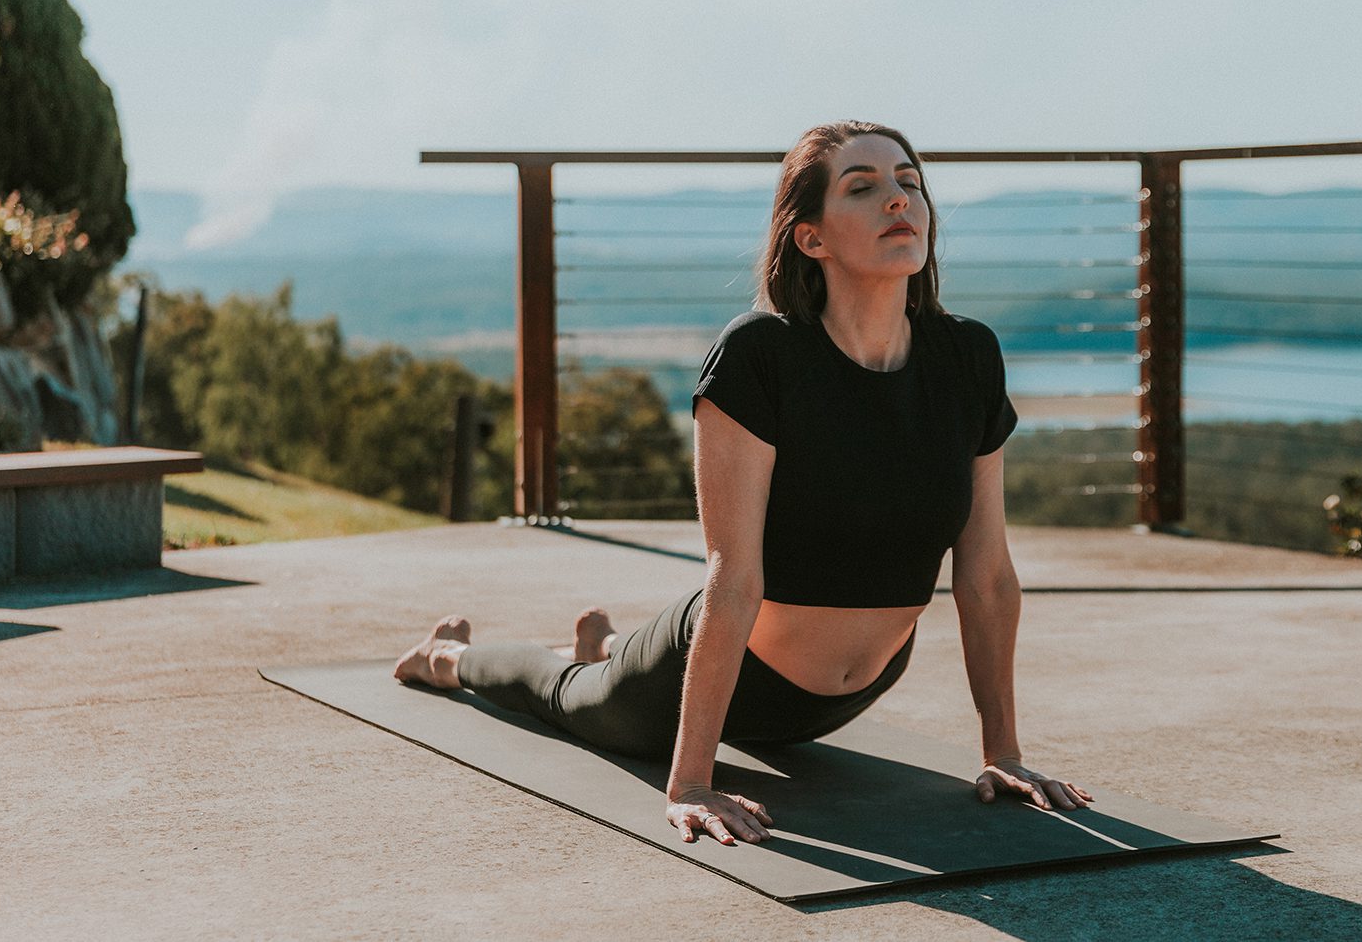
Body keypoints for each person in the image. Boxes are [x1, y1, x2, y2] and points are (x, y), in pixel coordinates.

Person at [393, 119, 1093, 846]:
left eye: (908, 182)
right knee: (567, 695)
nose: (898, 199)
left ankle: (606, 644)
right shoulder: (760, 355)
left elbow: (986, 574)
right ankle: (449, 658)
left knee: (607, 670)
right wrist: (690, 782)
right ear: (811, 238)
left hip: (853, 692)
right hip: (733, 672)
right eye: (862, 187)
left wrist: (1003, 751)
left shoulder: (967, 356)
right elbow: (732, 577)